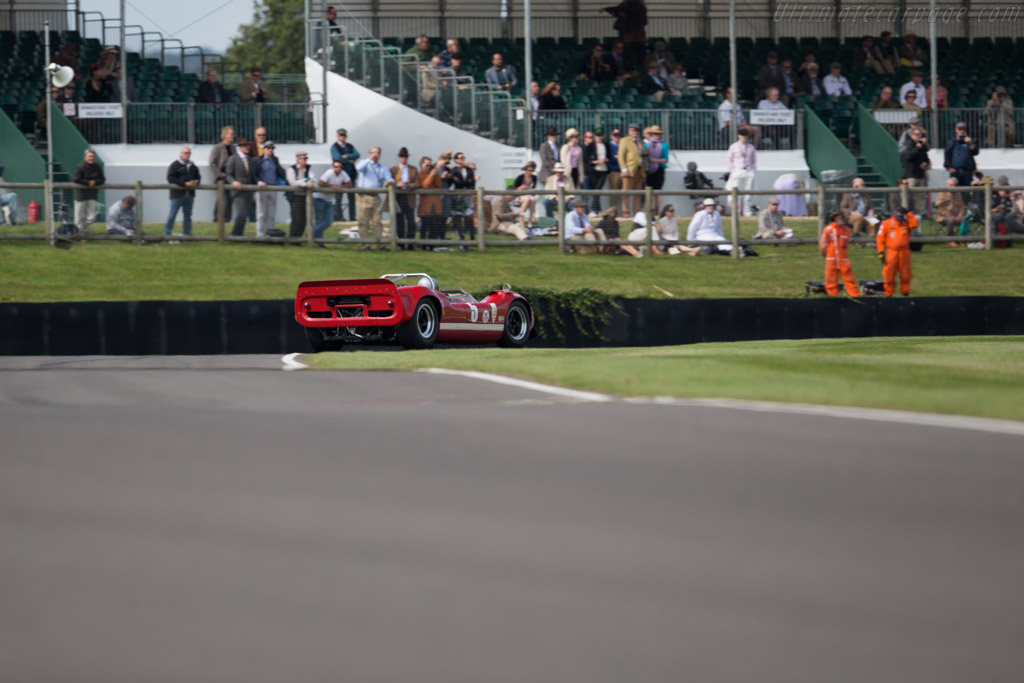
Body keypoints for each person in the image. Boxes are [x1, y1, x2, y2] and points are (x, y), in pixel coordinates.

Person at [354, 146, 394, 249]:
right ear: (369, 154)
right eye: (373, 152)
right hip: (363, 196)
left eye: (377, 153)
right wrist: (369, 159)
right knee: (363, 222)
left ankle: (380, 244)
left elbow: (388, 177)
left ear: (380, 155)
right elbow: (358, 168)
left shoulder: (382, 167)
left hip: (375, 197)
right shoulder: (365, 163)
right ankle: (365, 244)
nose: (375, 155)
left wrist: (390, 181)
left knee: (377, 221)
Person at [877, 205, 918, 296]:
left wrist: (909, 213)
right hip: (892, 252)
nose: (899, 218)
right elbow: (880, 238)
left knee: (905, 274)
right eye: (898, 215)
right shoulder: (886, 223)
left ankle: (905, 292)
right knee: (889, 274)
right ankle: (888, 293)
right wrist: (880, 252)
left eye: (901, 216)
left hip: (905, 252)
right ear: (894, 214)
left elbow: (914, 224)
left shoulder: (906, 223)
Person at [819, 211, 860, 297]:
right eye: (839, 217)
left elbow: (846, 243)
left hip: (843, 259)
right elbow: (823, 245)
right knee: (830, 280)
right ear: (835, 218)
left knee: (850, 279)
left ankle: (855, 296)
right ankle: (833, 297)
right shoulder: (828, 229)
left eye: (842, 217)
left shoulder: (846, 230)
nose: (841, 219)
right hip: (831, 259)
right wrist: (829, 253)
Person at [313, 160, 353, 247]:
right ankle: (320, 244)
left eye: (340, 167)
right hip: (319, 198)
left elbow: (350, 184)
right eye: (336, 167)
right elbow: (321, 183)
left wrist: (341, 187)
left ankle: (311, 234)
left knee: (329, 221)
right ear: (332, 167)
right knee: (319, 222)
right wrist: (332, 186)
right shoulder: (329, 172)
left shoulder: (343, 173)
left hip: (329, 200)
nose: (338, 168)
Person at [165, 146, 201, 237]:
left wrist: (195, 183)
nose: (188, 155)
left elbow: (198, 178)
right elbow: (170, 178)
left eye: (189, 153)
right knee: (172, 215)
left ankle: (187, 234)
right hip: (177, 195)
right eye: (186, 153)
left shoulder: (193, 166)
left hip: (189, 195)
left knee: (187, 216)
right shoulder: (175, 165)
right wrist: (184, 183)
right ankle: (166, 234)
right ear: (181, 154)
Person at [225, 139, 258, 237]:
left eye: (248, 145)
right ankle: (234, 234)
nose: (248, 147)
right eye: (245, 146)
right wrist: (234, 182)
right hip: (238, 192)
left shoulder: (250, 160)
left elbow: (253, 177)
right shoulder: (233, 158)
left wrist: (259, 183)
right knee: (241, 213)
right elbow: (228, 174)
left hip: (248, 192)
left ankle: (239, 235)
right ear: (240, 147)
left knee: (244, 214)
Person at [601, 0, 647, 67]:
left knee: (631, 54)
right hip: (637, 35)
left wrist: (607, 9)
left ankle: (633, 69)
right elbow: (644, 21)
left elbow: (620, 9)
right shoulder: (640, 5)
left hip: (630, 34)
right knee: (638, 54)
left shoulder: (631, 4)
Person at [254, 141, 286, 238]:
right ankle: (260, 234)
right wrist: (259, 182)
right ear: (264, 149)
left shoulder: (275, 160)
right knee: (261, 213)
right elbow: (253, 174)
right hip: (262, 188)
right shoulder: (258, 160)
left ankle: (271, 232)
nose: (270, 150)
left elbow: (281, 171)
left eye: (272, 148)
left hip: (273, 188)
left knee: (271, 213)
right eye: (268, 148)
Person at [390, 147, 420, 249]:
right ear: (399, 157)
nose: (404, 158)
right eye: (402, 156)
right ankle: (401, 243)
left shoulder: (413, 169)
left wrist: (409, 185)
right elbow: (389, 182)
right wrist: (398, 184)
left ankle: (410, 242)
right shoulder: (393, 170)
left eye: (405, 156)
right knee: (400, 222)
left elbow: (417, 183)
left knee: (411, 222)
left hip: (409, 196)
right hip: (398, 197)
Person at [726, 127, 757, 217]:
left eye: (745, 136)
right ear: (738, 136)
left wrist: (753, 170)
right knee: (737, 193)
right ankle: (736, 212)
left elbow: (754, 160)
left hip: (748, 170)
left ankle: (747, 212)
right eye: (742, 136)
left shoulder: (751, 147)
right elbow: (729, 159)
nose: (744, 137)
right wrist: (732, 170)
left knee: (748, 192)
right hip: (738, 170)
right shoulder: (734, 146)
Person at [73, 148, 104, 234]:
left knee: (92, 217)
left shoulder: (97, 167)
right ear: (85, 157)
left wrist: (94, 182)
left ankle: (83, 231)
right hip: (80, 194)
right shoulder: (80, 166)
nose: (91, 158)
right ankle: (79, 234)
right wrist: (88, 183)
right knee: (79, 216)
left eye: (93, 156)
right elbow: (76, 179)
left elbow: (102, 179)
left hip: (92, 194)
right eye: (89, 156)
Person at [447, 152, 476, 244]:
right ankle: (462, 237)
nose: (462, 159)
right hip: (458, 196)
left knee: (470, 217)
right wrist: (465, 182)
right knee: (458, 216)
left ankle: (472, 237)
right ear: (456, 160)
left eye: (463, 157)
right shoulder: (454, 170)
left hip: (467, 195)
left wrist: (461, 182)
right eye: (460, 157)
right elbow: (453, 182)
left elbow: (472, 182)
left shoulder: (469, 170)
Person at [330, 128, 359, 221]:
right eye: (340, 135)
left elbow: (357, 154)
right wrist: (350, 160)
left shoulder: (350, 146)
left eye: (344, 135)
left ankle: (352, 218)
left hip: (351, 176)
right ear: (337, 136)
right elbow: (337, 158)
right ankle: (338, 218)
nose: (342, 137)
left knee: (351, 198)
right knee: (338, 198)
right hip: (339, 175)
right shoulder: (334, 147)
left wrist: (346, 156)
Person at [617, 122, 646, 216]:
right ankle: (626, 212)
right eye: (633, 130)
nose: (635, 132)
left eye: (637, 130)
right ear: (629, 131)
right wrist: (624, 168)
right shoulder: (625, 140)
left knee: (637, 193)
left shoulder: (641, 142)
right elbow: (621, 156)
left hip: (639, 170)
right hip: (629, 170)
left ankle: (636, 212)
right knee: (626, 192)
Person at [900, 127, 930, 216]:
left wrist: (925, 163)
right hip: (911, 175)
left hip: (920, 174)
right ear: (912, 135)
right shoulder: (909, 145)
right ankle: (906, 213)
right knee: (909, 196)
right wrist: (917, 147)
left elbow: (926, 158)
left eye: (920, 134)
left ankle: (920, 214)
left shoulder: (923, 146)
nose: (919, 136)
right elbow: (908, 157)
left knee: (920, 196)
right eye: (917, 135)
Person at [285, 151, 314, 239]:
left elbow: (311, 178)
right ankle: (293, 239)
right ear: (298, 159)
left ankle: (298, 238)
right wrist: (305, 183)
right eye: (303, 158)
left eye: (306, 158)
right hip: (294, 197)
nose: (305, 160)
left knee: (304, 219)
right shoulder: (291, 169)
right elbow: (293, 183)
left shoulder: (309, 169)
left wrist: (302, 181)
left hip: (305, 197)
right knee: (296, 218)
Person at [208, 126, 235, 221]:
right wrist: (219, 174)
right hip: (222, 177)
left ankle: (227, 219)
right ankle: (216, 219)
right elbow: (212, 162)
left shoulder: (233, 148)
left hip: (230, 177)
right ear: (225, 135)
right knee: (221, 198)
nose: (233, 136)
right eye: (231, 134)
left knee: (230, 198)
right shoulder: (217, 147)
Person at [417, 156, 444, 248]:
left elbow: (439, 184)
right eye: (427, 165)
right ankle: (423, 245)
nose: (429, 167)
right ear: (422, 164)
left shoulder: (434, 173)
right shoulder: (419, 175)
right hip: (425, 205)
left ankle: (432, 245)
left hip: (435, 205)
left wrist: (435, 174)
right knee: (424, 226)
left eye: (430, 165)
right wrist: (432, 175)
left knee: (434, 226)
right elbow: (424, 185)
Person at [838, 177, 878, 242]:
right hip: (851, 217)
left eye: (864, 184)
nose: (864, 186)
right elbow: (842, 207)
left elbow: (871, 207)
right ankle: (857, 237)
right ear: (856, 186)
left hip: (864, 216)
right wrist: (852, 212)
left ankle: (871, 240)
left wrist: (871, 211)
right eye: (862, 185)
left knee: (872, 219)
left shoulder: (865, 195)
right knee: (858, 216)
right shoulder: (848, 194)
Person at [933, 177, 967, 246]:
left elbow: (962, 207)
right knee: (950, 219)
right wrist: (950, 216)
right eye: (950, 185)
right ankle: (950, 240)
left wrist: (960, 216)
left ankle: (962, 240)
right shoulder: (942, 192)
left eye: (954, 185)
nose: (952, 187)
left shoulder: (958, 193)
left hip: (957, 216)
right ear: (947, 185)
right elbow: (939, 207)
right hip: (943, 216)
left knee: (965, 219)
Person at [944, 121, 979, 188]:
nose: (962, 131)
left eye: (964, 129)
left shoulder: (971, 141)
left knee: (967, 192)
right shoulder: (951, 142)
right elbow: (947, 155)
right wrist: (948, 167)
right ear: (956, 130)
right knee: (955, 192)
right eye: (960, 129)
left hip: (967, 171)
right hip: (955, 171)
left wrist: (970, 143)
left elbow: (975, 152)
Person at [584, 129, 610, 213]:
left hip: (603, 170)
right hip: (594, 170)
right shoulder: (591, 145)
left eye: (600, 135)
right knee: (596, 190)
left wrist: (605, 160)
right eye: (597, 135)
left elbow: (609, 157)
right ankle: (597, 209)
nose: (599, 137)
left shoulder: (606, 145)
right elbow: (587, 159)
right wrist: (596, 162)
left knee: (598, 189)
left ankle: (595, 209)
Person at [644, 124, 668, 213]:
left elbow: (666, 159)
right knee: (650, 190)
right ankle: (652, 210)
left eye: (658, 134)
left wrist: (655, 160)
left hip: (659, 169)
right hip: (649, 170)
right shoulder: (646, 145)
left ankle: (660, 210)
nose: (657, 135)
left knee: (658, 190)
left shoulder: (664, 145)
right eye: (655, 134)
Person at [512, 161, 539, 226]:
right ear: (526, 169)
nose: (531, 172)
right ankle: (521, 219)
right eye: (530, 170)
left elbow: (533, 190)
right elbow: (513, 190)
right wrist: (520, 188)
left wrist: (533, 193)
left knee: (533, 199)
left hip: (529, 196)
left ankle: (530, 220)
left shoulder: (534, 178)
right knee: (527, 199)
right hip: (518, 197)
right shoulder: (520, 177)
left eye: (533, 171)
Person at [606, 128, 623, 215]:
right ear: (611, 136)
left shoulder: (621, 145)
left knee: (624, 193)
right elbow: (612, 159)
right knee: (614, 194)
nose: (617, 137)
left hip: (622, 171)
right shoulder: (609, 145)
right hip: (614, 171)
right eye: (615, 135)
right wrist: (619, 158)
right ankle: (612, 213)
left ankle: (624, 212)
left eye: (618, 135)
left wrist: (618, 157)